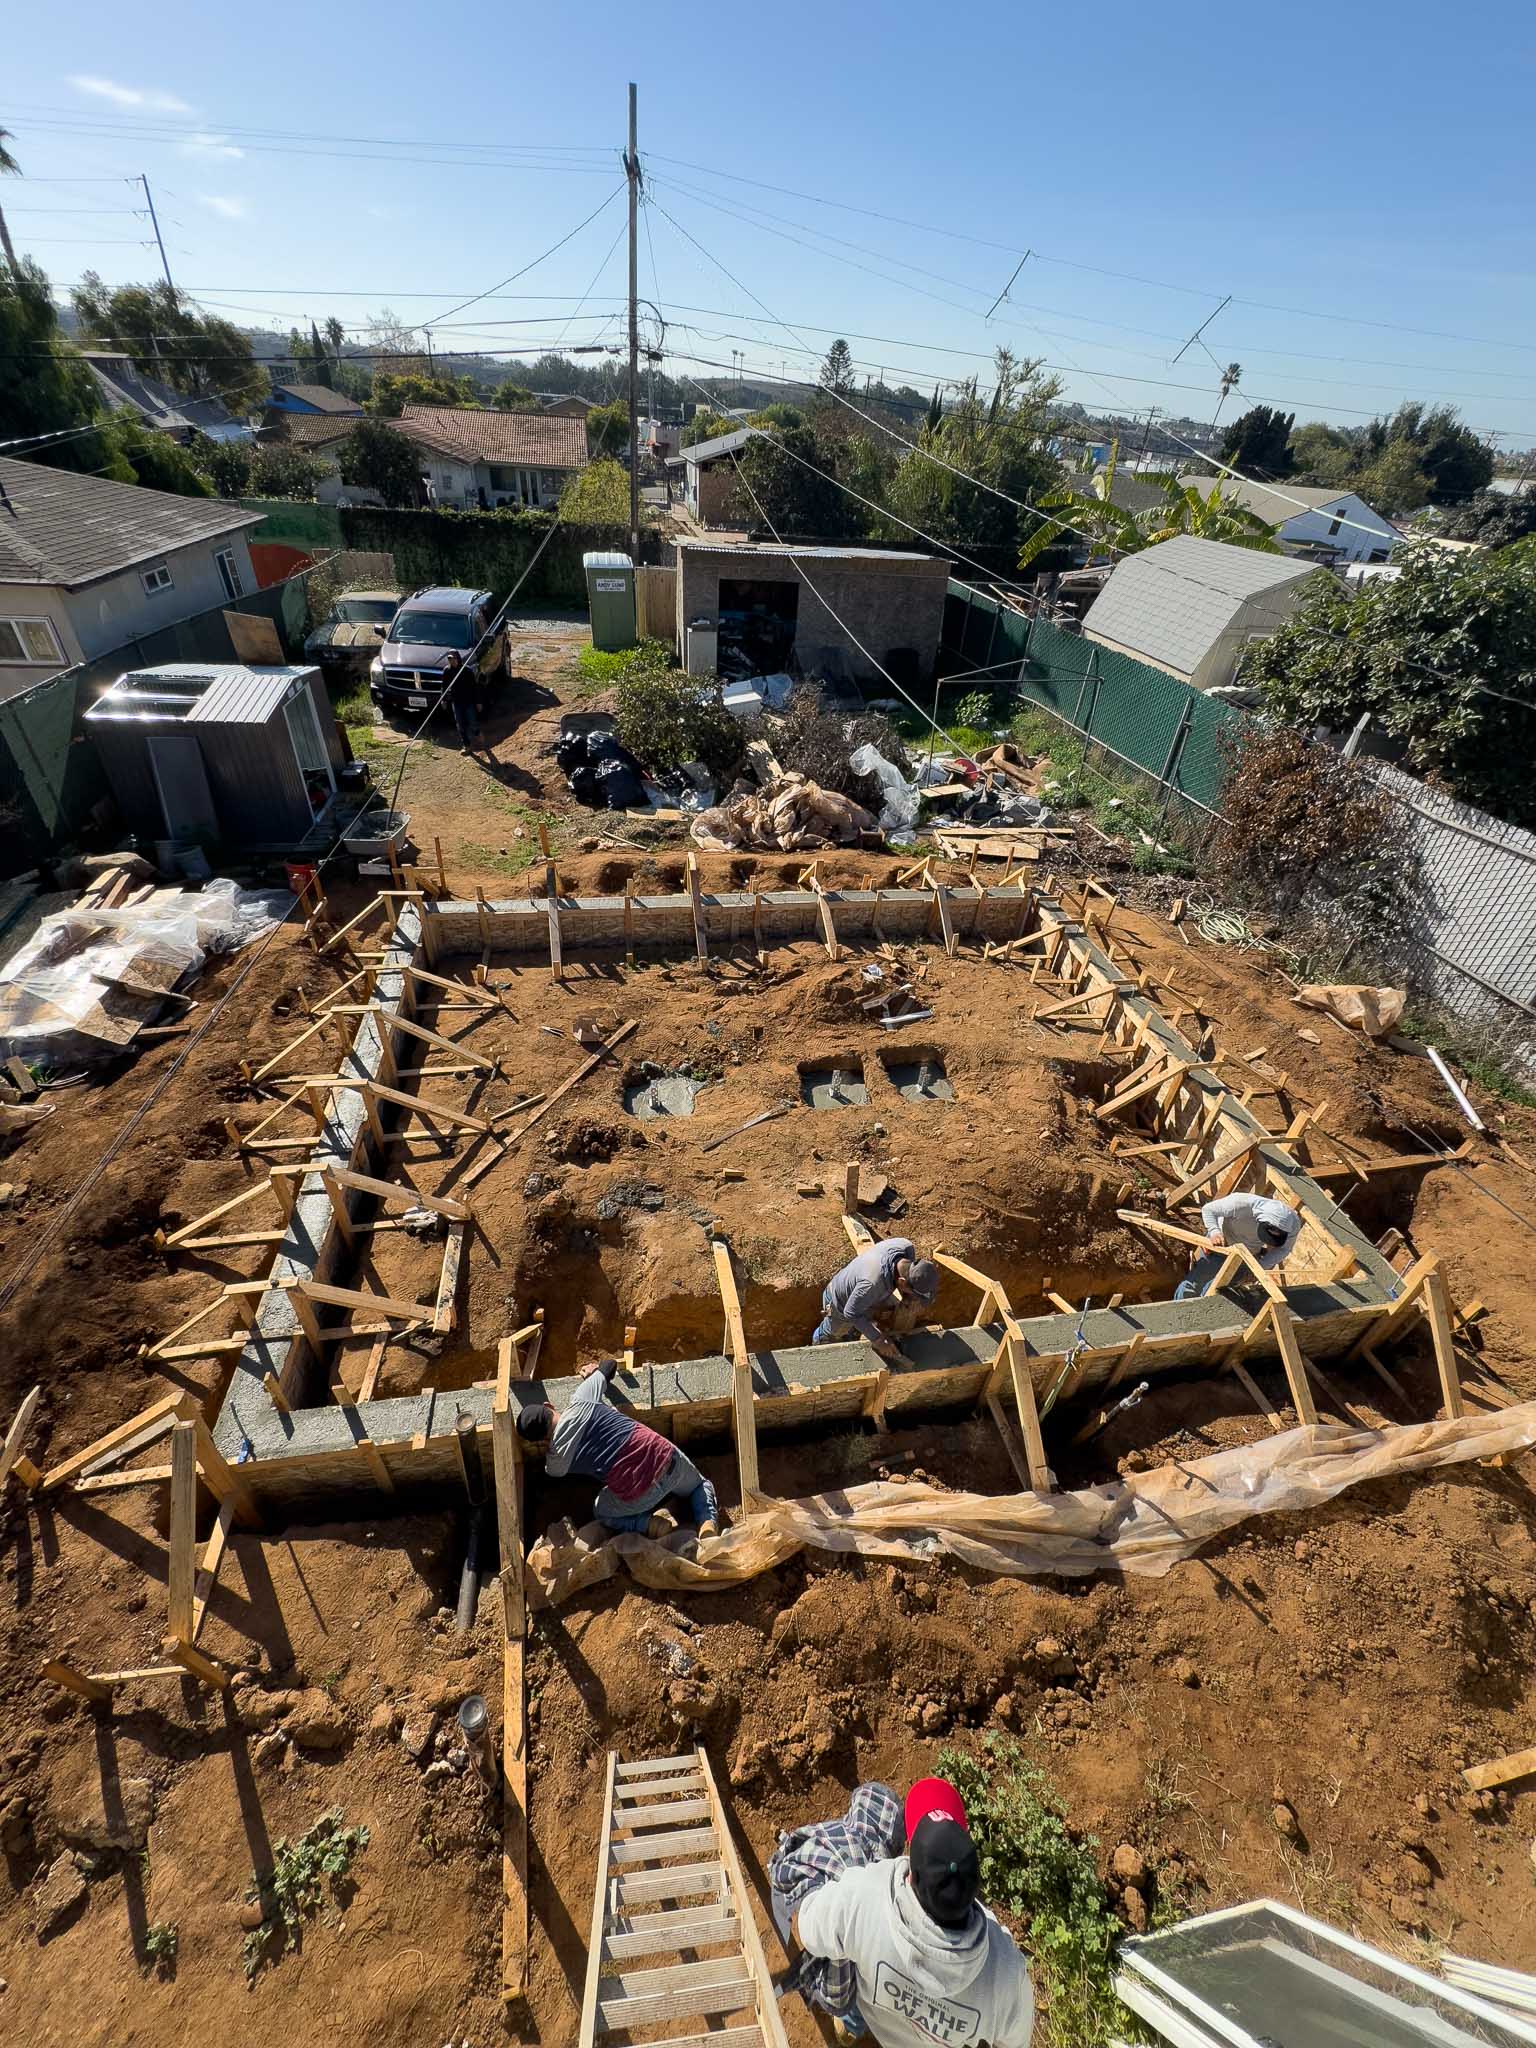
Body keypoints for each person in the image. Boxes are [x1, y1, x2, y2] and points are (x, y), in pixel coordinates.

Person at [792, 1775, 1035, 2048]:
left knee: (847, 1961)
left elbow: (809, 1929)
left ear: (911, 1876)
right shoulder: (1005, 1973)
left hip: (873, 2012)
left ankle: (850, 2027)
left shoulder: (865, 1898)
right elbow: (1015, 2042)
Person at [516, 1357, 719, 1539]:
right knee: (698, 1486)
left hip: (640, 1495)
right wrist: (593, 1374)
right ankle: (707, 1522)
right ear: (548, 1406)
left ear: (539, 1441)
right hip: (666, 1459)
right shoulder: (582, 1401)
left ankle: (649, 1524)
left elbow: (552, 1470)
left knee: (601, 1510)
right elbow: (609, 1365)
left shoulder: (555, 1464)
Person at [768, 1782, 904, 2030]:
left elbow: (785, 1860)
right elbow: (836, 1998)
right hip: (828, 1926)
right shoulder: (876, 1893)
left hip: (787, 1888)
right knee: (859, 2000)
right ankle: (850, 2027)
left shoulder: (832, 1830)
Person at [813, 1238, 939, 1358]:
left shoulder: (905, 1247)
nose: (914, 1298)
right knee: (833, 1333)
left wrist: (907, 1294)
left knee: (862, 1321)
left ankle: (852, 1332)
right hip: (839, 1303)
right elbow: (850, 1313)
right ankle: (817, 1351)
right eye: (914, 1293)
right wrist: (878, 1340)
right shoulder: (873, 1284)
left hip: (860, 1293)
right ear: (902, 1281)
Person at [1176, 1191, 1301, 1299]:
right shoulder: (1241, 1203)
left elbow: (1283, 1249)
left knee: (1216, 1290)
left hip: (1244, 1258)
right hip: (1220, 1247)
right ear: (1260, 1220)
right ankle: (1177, 1316)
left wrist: (1259, 1268)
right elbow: (1209, 1209)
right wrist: (1214, 1232)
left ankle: (1201, 1318)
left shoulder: (1293, 1224)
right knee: (1193, 1284)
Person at [448, 660, 484, 754]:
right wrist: (443, 699)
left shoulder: (467, 670)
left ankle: (478, 735)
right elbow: (444, 685)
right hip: (456, 702)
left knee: (472, 722)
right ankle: (467, 746)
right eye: (449, 659)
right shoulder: (447, 670)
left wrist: (478, 702)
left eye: (453, 659)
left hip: (468, 702)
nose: (451, 661)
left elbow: (474, 687)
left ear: (458, 659)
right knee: (460, 725)